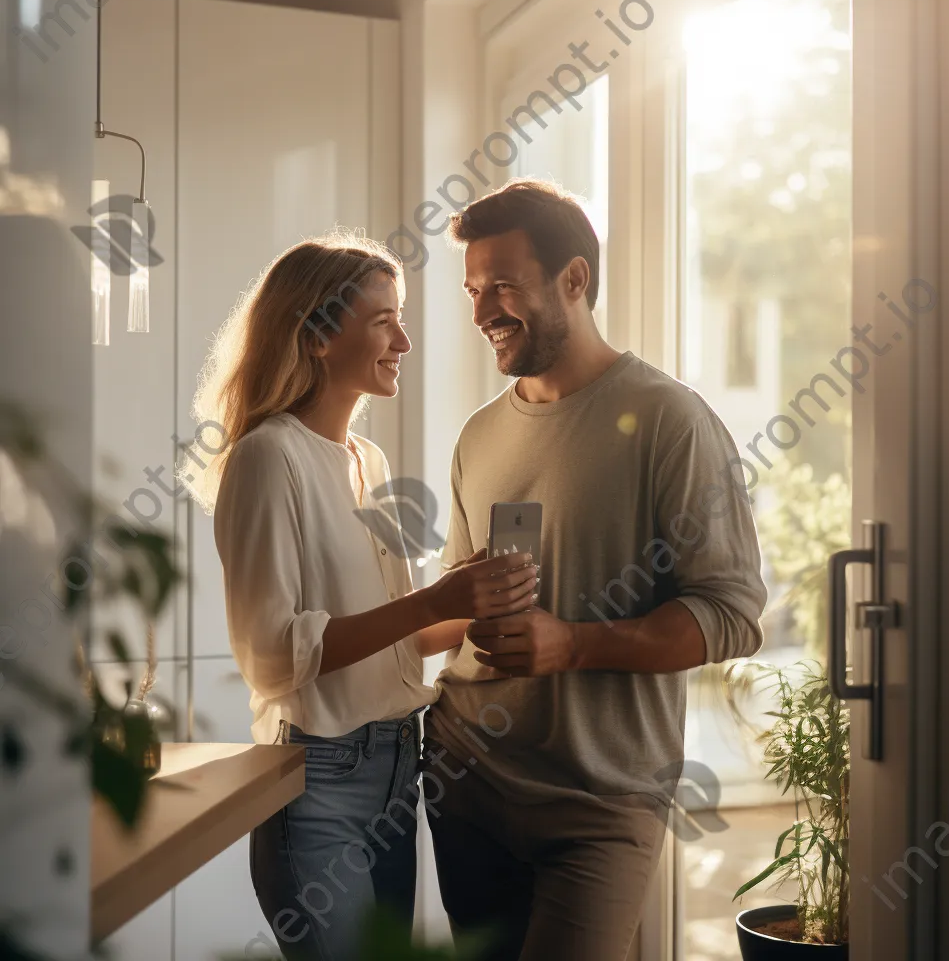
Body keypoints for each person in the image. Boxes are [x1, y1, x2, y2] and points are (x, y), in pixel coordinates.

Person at [422, 180, 768, 961]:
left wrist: (571, 644)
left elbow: (733, 614)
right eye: (474, 290)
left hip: (601, 805)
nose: (481, 313)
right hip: (466, 782)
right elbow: (449, 610)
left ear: (573, 280)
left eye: (503, 286)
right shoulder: (478, 436)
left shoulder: (670, 420)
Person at [182, 234, 538, 961]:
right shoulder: (267, 457)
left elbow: (398, 641)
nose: (404, 340)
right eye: (384, 320)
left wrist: (478, 604)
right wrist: (434, 597)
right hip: (319, 785)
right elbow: (276, 657)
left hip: (397, 775)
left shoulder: (366, 460)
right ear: (316, 333)